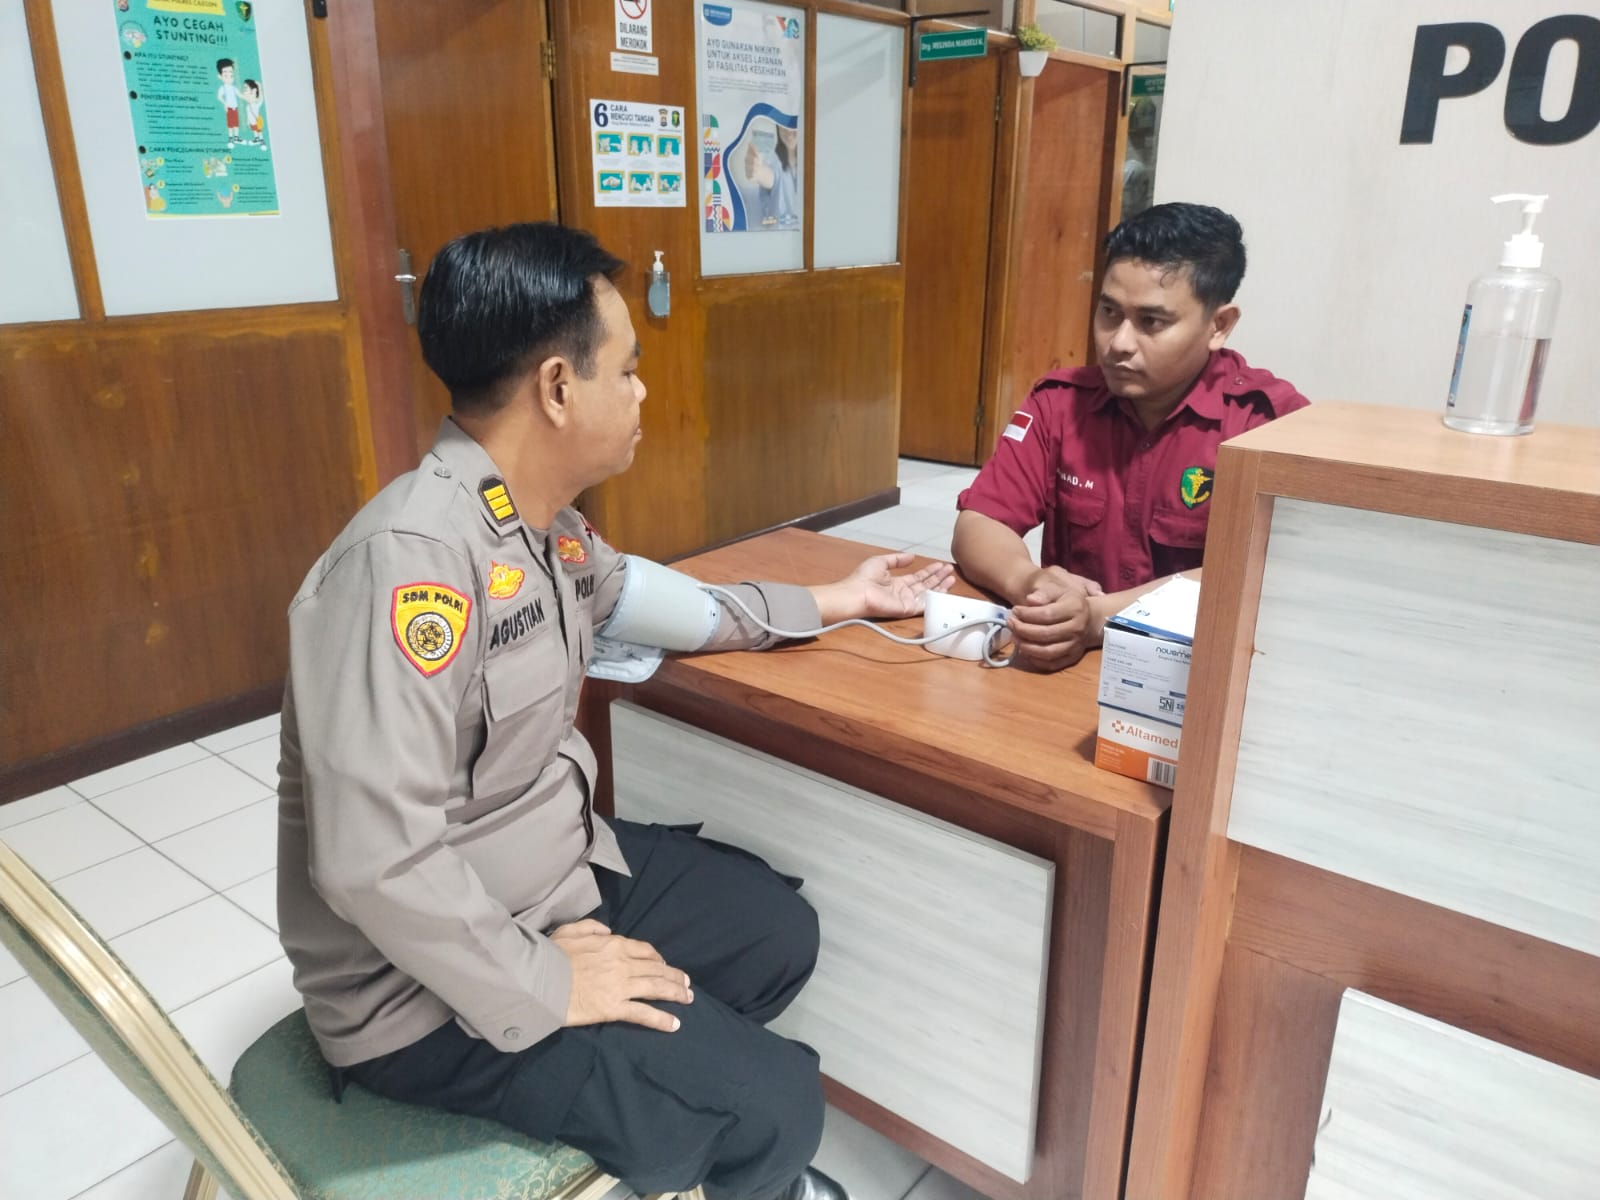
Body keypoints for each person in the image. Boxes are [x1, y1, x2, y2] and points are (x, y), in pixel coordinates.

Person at [277, 221, 951, 1200]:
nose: (641, 392)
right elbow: (370, 860)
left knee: (773, 934)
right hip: (419, 993)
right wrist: (548, 983)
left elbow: (673, 605)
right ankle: (724, 1125)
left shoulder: (541, 530)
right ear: (557, 388)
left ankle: (679, 1099)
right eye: (627, 370)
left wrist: (843, 597)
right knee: (778, 1107)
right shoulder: (410, 567)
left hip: (550, 881)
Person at [952, 202, 1309, 672]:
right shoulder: (1060, 403)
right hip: (1068, 665)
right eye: (1109, 312)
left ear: (1218, 325)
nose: (1118, 342)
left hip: (1201, 672)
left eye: (1151, 322)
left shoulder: (1269, 424)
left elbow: (1269, 575)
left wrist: (1100, 617)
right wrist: (1032, 584)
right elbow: (980, 522)